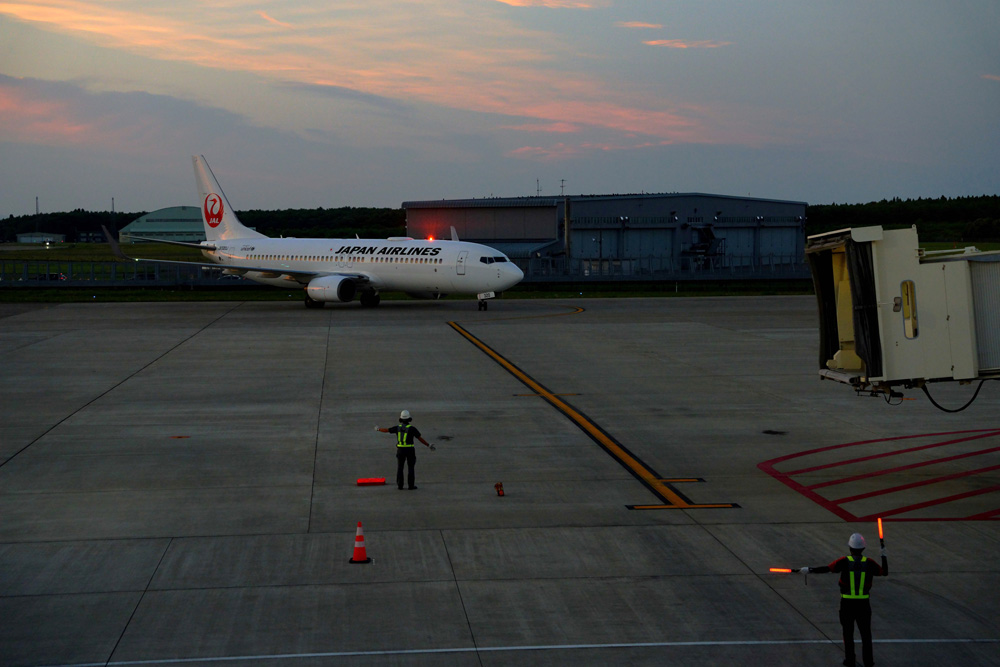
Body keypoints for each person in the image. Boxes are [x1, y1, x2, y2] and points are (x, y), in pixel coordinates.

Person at [801, 533, 888, 667]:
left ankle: (850, 660)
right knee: (866, 634)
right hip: (864, 604)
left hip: (847, 604)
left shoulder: (844, 561)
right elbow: (884, 572)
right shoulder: (869, 563)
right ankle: (868, 662)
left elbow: (827, 568)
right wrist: (883, 554)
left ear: (850, 547)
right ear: (863, 548)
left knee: (848, 633)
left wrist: (809, 570)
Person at [375, 410, 434, 490]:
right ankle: (411, 485)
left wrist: (378, 429)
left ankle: (400, 485)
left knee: (400, 467)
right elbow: (420, 438)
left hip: (400, 450)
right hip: (410, 450)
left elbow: (387, 430)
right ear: (409, 419)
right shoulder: (412, 429)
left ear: (400, 419)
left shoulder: (397, 428)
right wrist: (428, 445)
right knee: (411, 468)